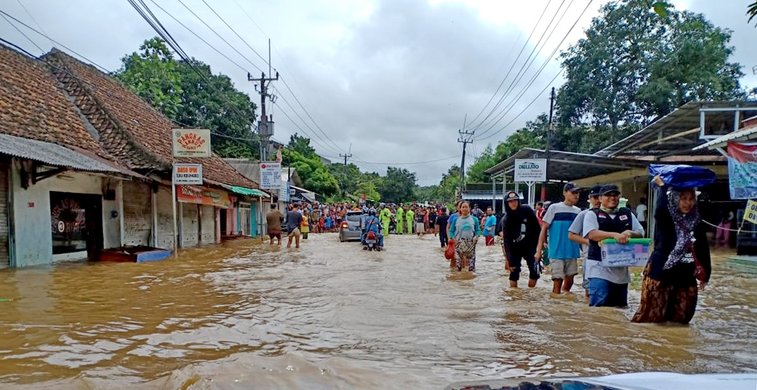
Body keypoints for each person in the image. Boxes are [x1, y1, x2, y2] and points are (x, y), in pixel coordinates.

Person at [632, 176, 711, 323]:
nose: (688, 203)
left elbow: (703, 249)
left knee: (682, 319)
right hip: (660, 275)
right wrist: (663, 188)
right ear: (675, 199)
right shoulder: (666, 219)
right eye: (683, 198)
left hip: (686, 276)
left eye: (691, 199)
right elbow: (660, 210)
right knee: (652, 319)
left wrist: (706, 275)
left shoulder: (696, 221)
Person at [583, 184, 645, 307]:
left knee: (619, 310)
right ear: (600, 198)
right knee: (599, 310)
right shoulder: (592, 214)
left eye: (615, 195)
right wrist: (614, 235)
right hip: (598, 268)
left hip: (621, 271)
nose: (612, 198)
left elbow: (641, 233)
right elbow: (592, 234)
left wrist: (630, 233)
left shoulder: (627, 213)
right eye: (608, 195)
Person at [536, 183, 582, 295]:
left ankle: (564, 303)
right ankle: (555, 302)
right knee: (557, 280)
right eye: (573, 193)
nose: (576, 196)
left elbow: (580, 233)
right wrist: (539, 250)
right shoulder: (554, 208)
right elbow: (544, 228)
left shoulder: (578, 211)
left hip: (572, 252)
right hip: (556, 251)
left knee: (570, 280)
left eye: (577, 193)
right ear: (565, 193)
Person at [500, 191, 541, 288]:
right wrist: (508, 258)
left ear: (518, 201)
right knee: (514, 272)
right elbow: (507, 241)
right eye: (510, 201)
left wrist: (541, 246)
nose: (513, 203)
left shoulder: (527, 210)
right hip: (515, 248)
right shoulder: (506, 219)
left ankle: (530, 294)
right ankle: (515, 296)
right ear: (507, 203)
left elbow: (537, 228)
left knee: (535, 271)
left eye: (515, 200)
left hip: (530, 246)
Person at [568, 185, 603, 297]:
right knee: (590, 292)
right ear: (590, 198)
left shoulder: (614, 214)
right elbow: (572, 235)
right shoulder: (584, 214)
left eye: (599, 197)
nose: (597, 200)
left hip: (611, 259)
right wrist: (589, 242)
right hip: (590, 258)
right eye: (594, 197)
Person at [448, 201, 481, 272]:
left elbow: (478, 230)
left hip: (471, 244)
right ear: (460, 209)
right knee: (458, 267)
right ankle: (459, 282)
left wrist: (477, 236)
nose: (465, 209)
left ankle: (470, 281)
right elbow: (451, 231)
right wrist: (453, 239)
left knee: (471, 268)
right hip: (458, 244)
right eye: (463, 207)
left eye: (466, 207)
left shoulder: (474, 219)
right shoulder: (455, 219)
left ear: (469, 209)